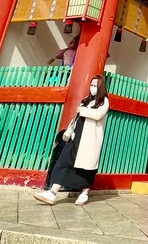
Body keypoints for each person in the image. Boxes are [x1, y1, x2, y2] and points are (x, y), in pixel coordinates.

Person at [34, 74, 109, 206]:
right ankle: (52, 192)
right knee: (64, 161)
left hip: (89, 140)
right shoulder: (86, 100)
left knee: (86, 168)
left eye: (95, 86)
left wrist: (83, 110)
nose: (92, 88)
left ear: (101, 87)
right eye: (91, 85)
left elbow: (98, 115)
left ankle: (85, 192)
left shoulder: (104, 101)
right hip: (76, 136)